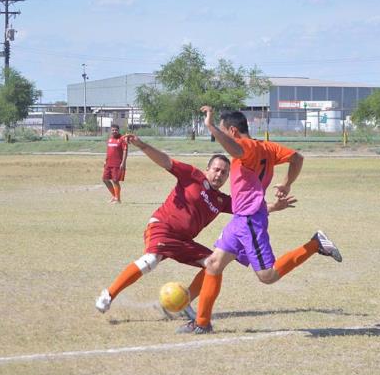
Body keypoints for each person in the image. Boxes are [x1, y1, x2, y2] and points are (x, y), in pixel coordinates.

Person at [177, 106, 343, 334]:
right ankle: (202, 322)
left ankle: (316, 244)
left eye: (224, 134)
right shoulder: (268, 147)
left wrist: (210, 126)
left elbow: (236, 149)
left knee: (267, 276)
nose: (221, 139)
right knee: (214, 264)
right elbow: (297, 158)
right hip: (240, 218)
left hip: (250, 221)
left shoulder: (246, 146)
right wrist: (287, 183)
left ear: (233, 131)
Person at [95, 134, 296, 318]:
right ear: (207, 169)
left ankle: (184, 303)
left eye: (224, 173)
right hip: (163, 229)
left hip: (184, 241)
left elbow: (248, 210)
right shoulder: (191, 175)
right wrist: (142, 145)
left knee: (212, 264)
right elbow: (165, 161)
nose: (219, 175)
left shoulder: (221, 200)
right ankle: (109, 295)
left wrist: (275, 207)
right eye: (216, 170)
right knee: (150, 260)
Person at [102, 124, 128, 203]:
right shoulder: (110, 139)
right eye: (113, 130)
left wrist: (123, 163)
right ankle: (114, 196)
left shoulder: (122, 139)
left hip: (117, 164)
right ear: (111, 131)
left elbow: (125, 151)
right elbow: (109, 151)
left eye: (116, 130)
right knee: (105, 179)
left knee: (115, 180)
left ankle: (118, 199)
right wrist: (105, 160)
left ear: (118, 130)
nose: (114, 131)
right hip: (108, 163)